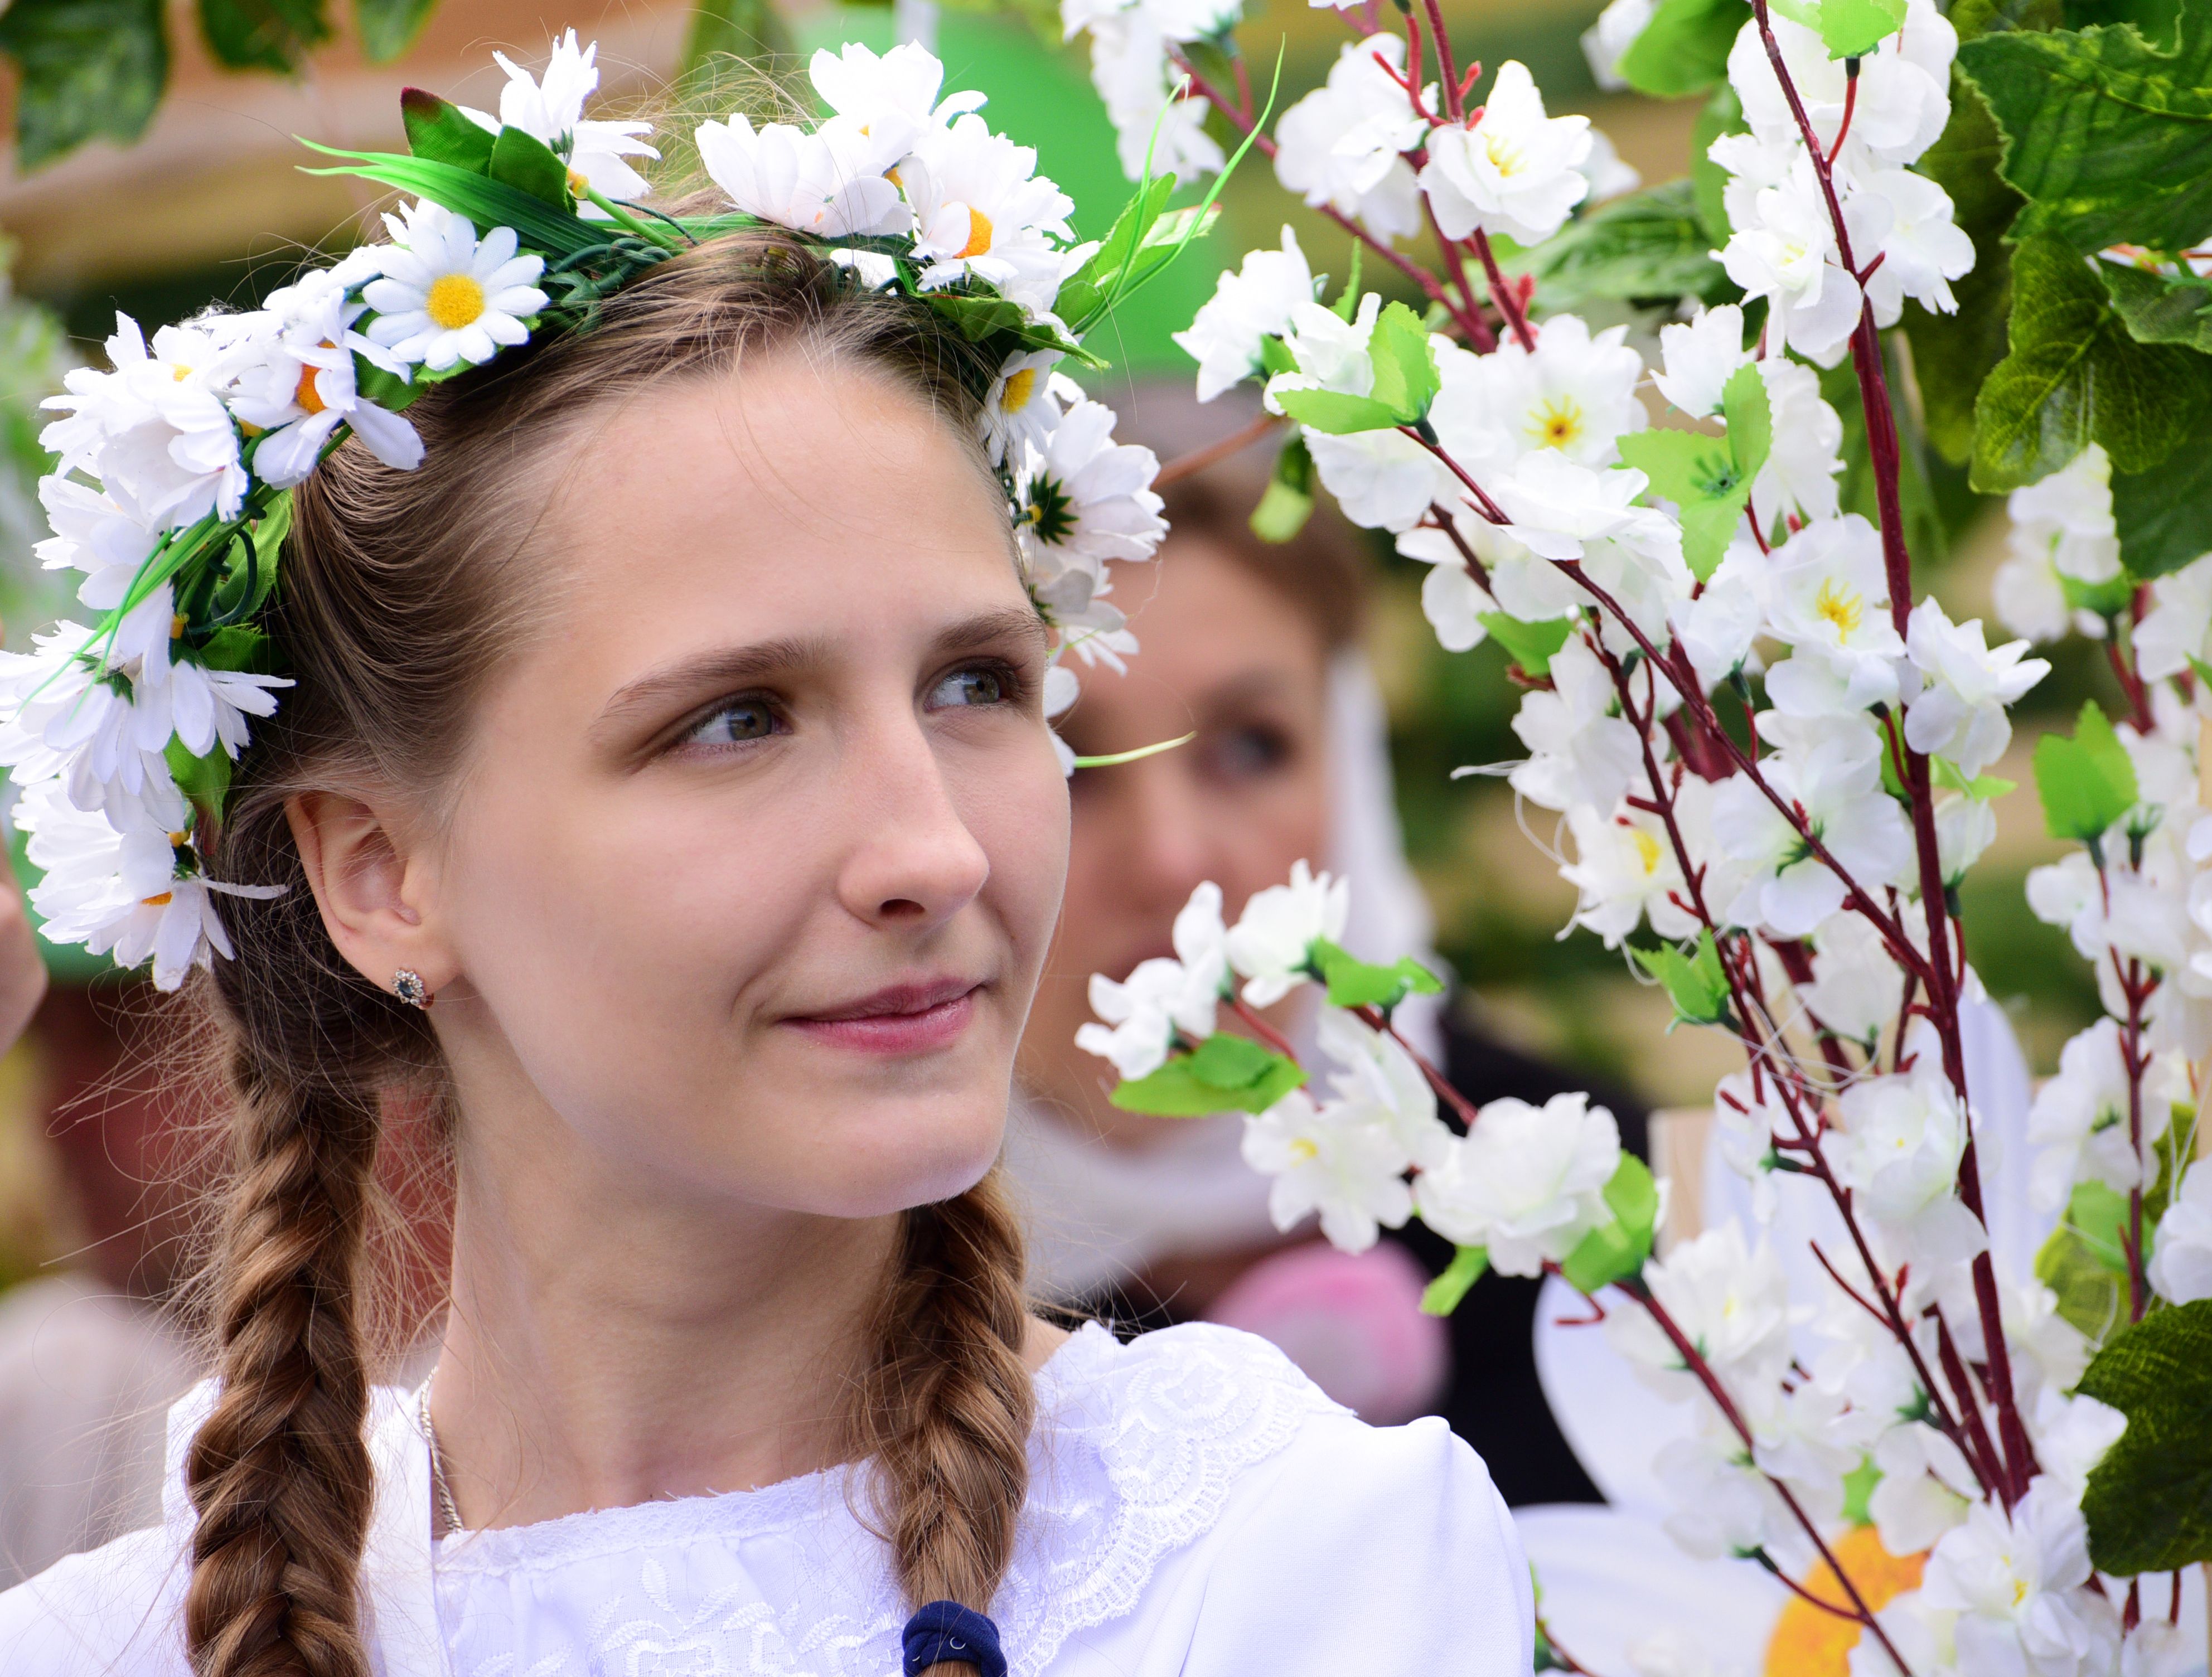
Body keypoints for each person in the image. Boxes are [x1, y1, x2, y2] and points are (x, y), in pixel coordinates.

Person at [0, 40, 1528, 1677]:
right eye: (737, 720)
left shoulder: (1272, 1562)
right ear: (380, 870)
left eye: (978, 686)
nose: (934, 851)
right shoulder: (127, 1640)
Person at [1011, 392, 1655, 1508]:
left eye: (1252, 747)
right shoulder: (843, 1302)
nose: (1174, 859)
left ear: (1349, 770)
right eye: (1070, 763)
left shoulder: (1576, 1199)